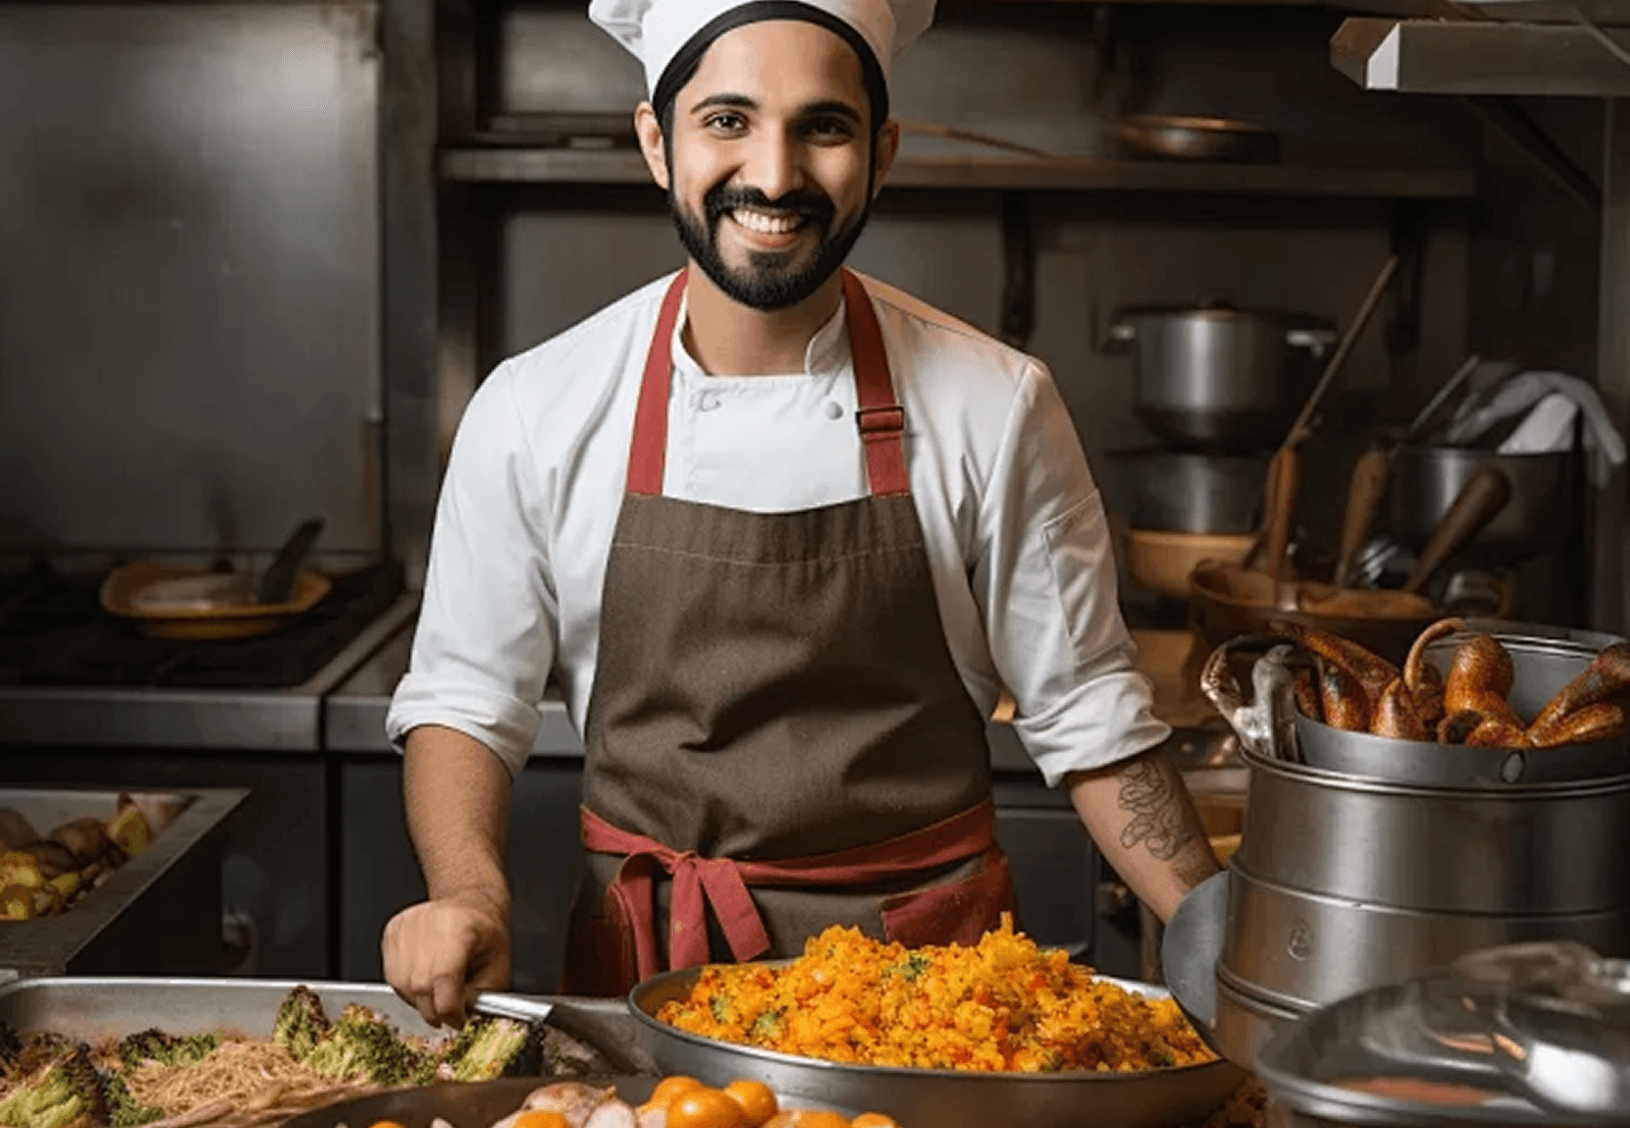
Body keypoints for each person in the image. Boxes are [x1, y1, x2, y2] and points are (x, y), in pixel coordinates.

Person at [382, 0, 1219, 1026]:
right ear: (657, 141)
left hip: (932, 1004)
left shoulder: (993, 404)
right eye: (726, 120)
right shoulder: (535, 407)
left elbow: (1089, 710)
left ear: (881, 152)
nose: (773, 176)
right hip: (651, 987)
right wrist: (467, 893)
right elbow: (468, 698)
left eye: (822, 126)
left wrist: (1216, 928)